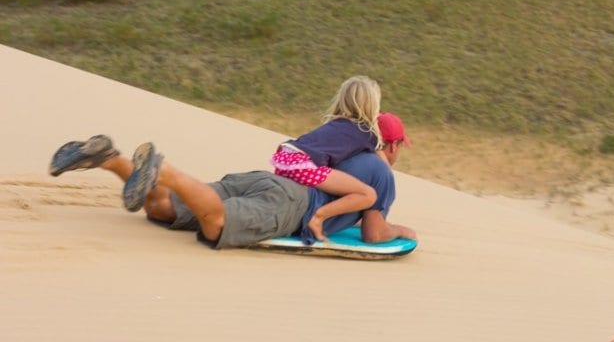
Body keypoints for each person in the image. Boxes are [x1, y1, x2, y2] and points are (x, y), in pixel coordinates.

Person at [48, 113, 416, 248]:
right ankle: (164, 170)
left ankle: (109, 158)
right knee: (216, 223)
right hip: (291, 205)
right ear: (394, 144)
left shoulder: (346, 140)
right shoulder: (381, 172)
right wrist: (401, 230)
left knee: (160, 207)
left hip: (267, 179)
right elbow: (373, 233)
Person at [270, 75, 383, 242]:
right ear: (372, 105)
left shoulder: (334, 124)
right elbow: (378, 166)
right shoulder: (367, 133)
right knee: (368, 195)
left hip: (285, 157)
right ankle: (318, 217)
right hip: (303, 165)